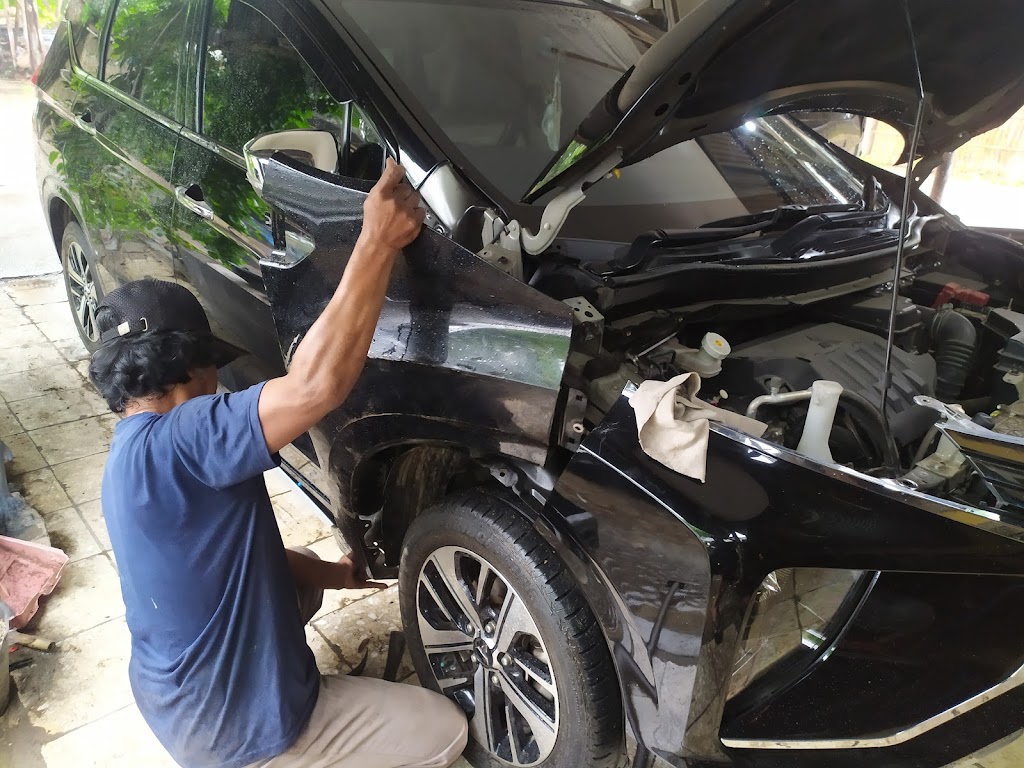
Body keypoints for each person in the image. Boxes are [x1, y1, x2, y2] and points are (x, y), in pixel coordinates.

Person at [89, 159, 468, 768]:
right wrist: (376, 241)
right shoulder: (188, 436)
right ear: (190, 365)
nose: (218, 382)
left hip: (178, 706)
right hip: (240, 735)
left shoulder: (130, 457)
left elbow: (237, 561)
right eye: (212, 367)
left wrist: (338, 576)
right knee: (445, 730)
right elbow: (317, 385)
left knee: (301, 577)